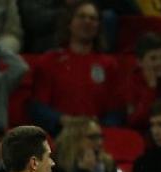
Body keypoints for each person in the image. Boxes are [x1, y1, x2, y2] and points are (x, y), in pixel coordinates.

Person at [29, 0, 122, 136]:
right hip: (60, 136)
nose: (87, 21)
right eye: (81, 16)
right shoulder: (49, 61)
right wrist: (64, 120)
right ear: (69, 23)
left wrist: (97, 127)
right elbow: (37, 108)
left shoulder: (109, 65)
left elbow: (117, 111)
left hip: (97, 138)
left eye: (93, 18)